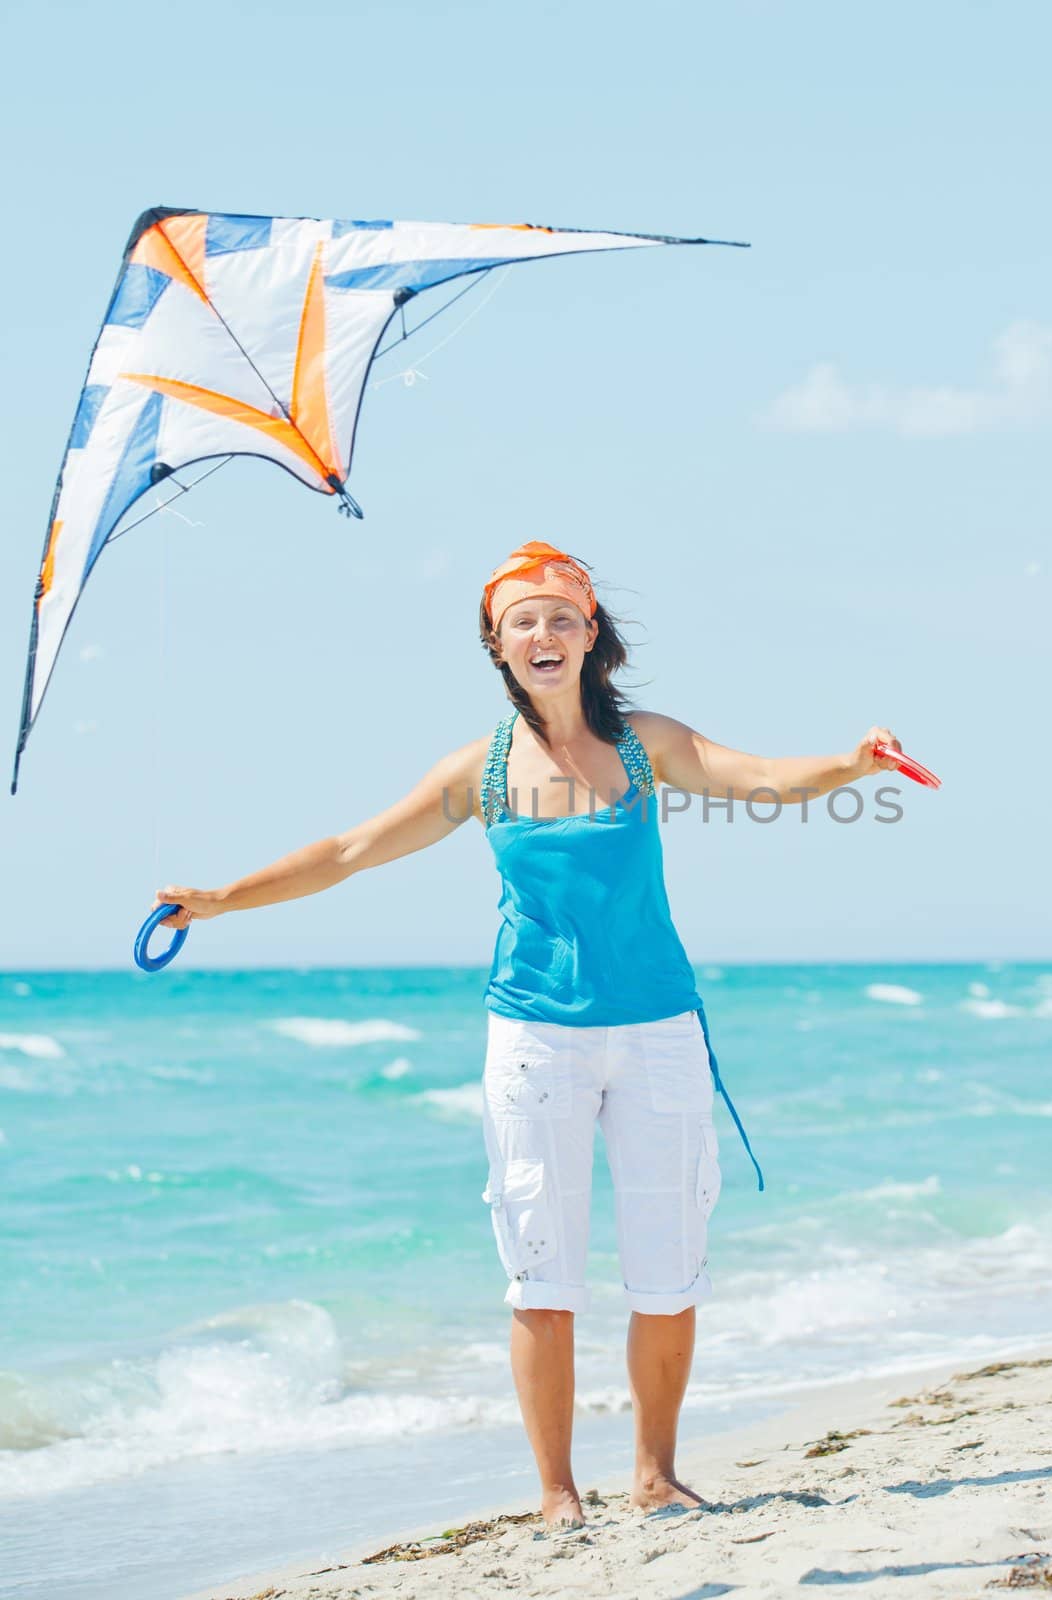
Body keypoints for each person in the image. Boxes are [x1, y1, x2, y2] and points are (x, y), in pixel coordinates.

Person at [154, 539, 905, 1528]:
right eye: (522, 621)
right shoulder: (484, 768)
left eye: (559, 616)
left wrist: (851, 762)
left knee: (667, 1269)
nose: (542, 634)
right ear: (495, 646)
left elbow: (759, 773)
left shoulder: (645, 744)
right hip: (535, 1041)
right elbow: (347, 850)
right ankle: (556, 1492)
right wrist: (220, 899)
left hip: (658, 1034)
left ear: (590, 635)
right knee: (541, 1275)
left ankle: (654, 1473)